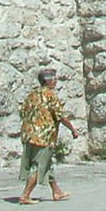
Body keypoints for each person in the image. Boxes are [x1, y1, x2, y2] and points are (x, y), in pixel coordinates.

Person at [19, 66, 77, 204]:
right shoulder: (50, 95)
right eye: (54, 79)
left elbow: (22, 112)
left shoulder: (32, 94)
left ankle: (56, 191)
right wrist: (73, 129)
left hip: (29, 134)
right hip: (43, 136)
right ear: (48, 81)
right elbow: (61, 115)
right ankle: (25, 195)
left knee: (47, 164)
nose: (56, 81)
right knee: (39, 165)